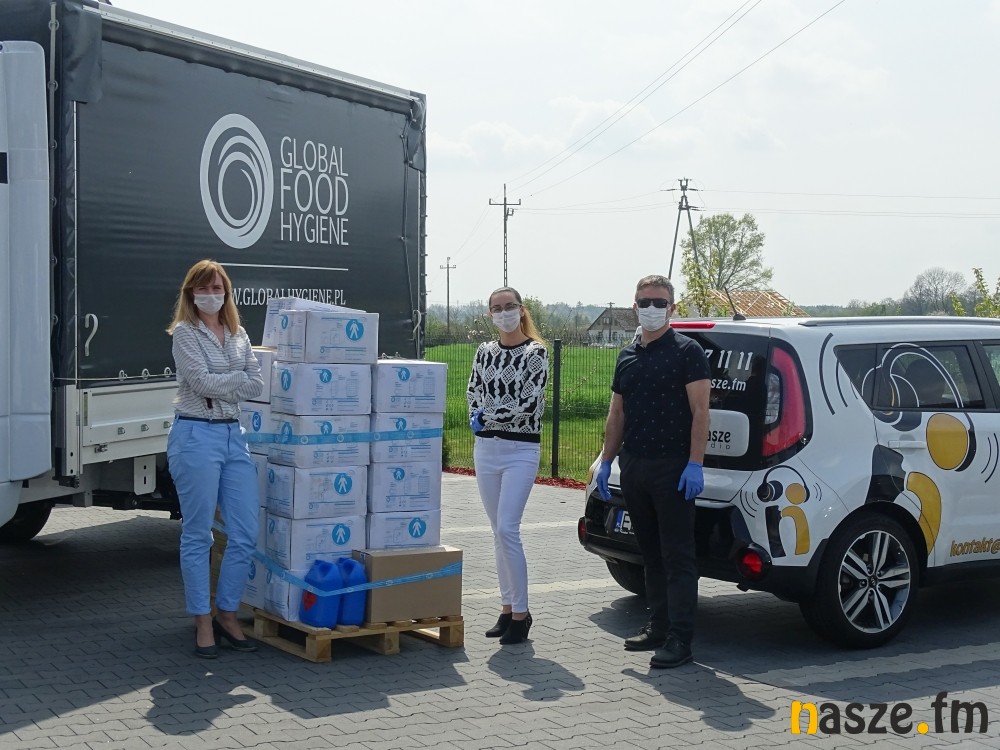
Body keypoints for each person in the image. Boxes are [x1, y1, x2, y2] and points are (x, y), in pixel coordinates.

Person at [596, 274, 710, 668]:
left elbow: (701, 412)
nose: (651, 308)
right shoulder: (627, 356)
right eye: (645, 302)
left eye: (659, 302)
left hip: (673, 467)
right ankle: (658, 625)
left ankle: (681, 638)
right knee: (650, 553)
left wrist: (695, 463)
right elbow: (617, 413)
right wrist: (606, 460)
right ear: (634, 306)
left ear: (671, 308)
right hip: (635, 465)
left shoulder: (687, 352)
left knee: (678, 556)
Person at [166, 259, 264, 659]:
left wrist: (228, 383)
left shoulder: (238, 333)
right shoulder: (184, 333)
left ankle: (227, 612)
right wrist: (236, 381)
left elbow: (257, 383)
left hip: (232, 436)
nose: (211, 294)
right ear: (191, 293)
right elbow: (201, 382)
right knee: (198, 534)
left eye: (217, 288)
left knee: (245, 533)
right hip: (195, 435)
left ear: (227, 292)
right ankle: (202, 620)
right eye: (203, 288)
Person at [466, 286, 549, 645]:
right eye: (496, 308)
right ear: (490, 314)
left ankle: (522, 613)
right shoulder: (484, 351)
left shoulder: (536, 352)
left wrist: (489, 415)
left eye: (509, 306)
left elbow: (528, 404)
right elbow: (473, 390)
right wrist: (476, 414)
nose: (503, 313)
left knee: (508, 528)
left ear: (521, 309)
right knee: (496, 533)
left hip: (520, 450)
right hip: (486, 449)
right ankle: (506, 607)